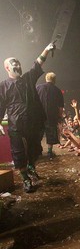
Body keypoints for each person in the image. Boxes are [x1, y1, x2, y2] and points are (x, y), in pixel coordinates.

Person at [0, 42, 56, 192]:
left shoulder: (27, 78)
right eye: (14, 65)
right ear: (7, 68)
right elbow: (1, 106)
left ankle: (31, 165)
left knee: (35, 148)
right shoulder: (3, 86)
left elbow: (37, 64)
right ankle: (26, 179)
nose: (18, 66)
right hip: (15, 124)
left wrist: (46, 50)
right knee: (18, 152)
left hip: (33, 122)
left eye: (18, 64)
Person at [36, 72, 64, 159]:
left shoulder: (38, 88)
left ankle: (37, 151)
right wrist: (59, 117)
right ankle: (49, 152)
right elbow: (60, 107)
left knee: (38, 133)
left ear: (46, 78)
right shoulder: (57, 90)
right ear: (54, 80)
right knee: (50, 134)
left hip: (39, 115)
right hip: (51, 116)